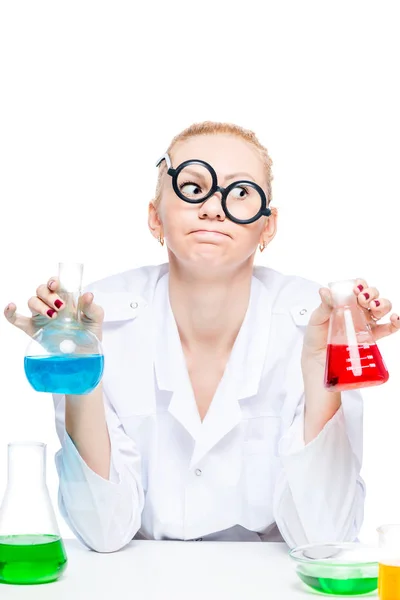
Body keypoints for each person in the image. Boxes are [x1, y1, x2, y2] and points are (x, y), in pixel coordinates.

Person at [5, 121, 399, 553]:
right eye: (193, 187)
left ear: (267, 227)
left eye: (240, 192)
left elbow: (327, 539)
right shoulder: (92, 320)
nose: (214, 208)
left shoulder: (321, 324)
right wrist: (80, 367)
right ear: (155, 218)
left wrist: (321, 372)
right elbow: (103, 532)